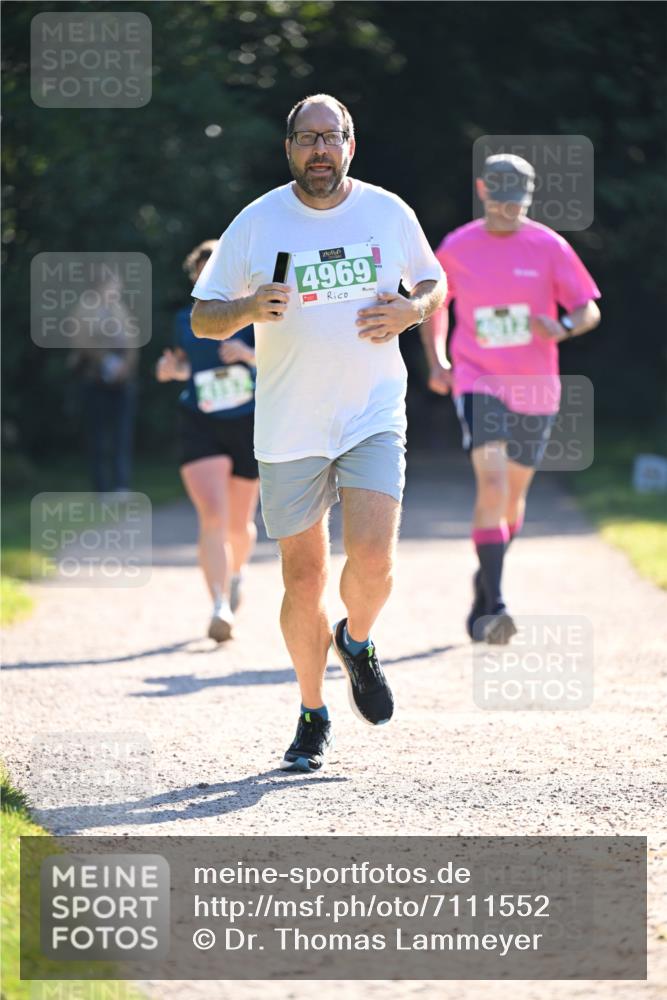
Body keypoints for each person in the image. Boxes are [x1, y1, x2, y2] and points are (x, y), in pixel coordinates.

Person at [190, 93, 446, 772]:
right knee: (302, 579)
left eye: (331, 137)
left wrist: (414, 310)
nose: (320, 150)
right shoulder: (257, 221)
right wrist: (247, 306)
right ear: (289, 149)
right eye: (307, 138)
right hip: (289, 424)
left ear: (350, 145)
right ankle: (312, 712)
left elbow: (433, 280)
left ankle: (355, 641)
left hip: (370, 412)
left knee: (374, 558)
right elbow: (202, 318)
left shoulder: (387, 212)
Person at [421, 154, 601, 644]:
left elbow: (587, 309)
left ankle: (484, 583)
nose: (508, 210)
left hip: (536, 387)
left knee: (513, 498)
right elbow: (435, 305)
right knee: (493, 483)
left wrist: (563, 326)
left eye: (517, 202)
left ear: (529, 196)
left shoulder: (548, 245)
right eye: (500, 200)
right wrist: (438, 360)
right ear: (483, 190)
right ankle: (498, 605)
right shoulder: (457, 246)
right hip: (478, 380)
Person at [156, 240, 260, 642]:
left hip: (248, 422)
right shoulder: (185, 320)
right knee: (213, 516)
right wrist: (170, 369)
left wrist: (247, 355)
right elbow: (187, 367)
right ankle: (219, 606)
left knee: (239, 525)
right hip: (200, 421)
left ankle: (236, 574)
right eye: (201, 274)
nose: (209, 280)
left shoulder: (256, 314)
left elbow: (284, 363)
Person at [69, 269, 139, 497]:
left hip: (122, 382)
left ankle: (121, 486)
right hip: (95, 380)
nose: (117, 289)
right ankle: (101, 489)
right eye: (113, 284)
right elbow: (81, 341)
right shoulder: (85, 309)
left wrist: (125, 366)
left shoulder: (120, 308)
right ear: (101, 285)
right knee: (98, 436)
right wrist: (106, 361)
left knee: (122, 435)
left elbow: (132, 340)